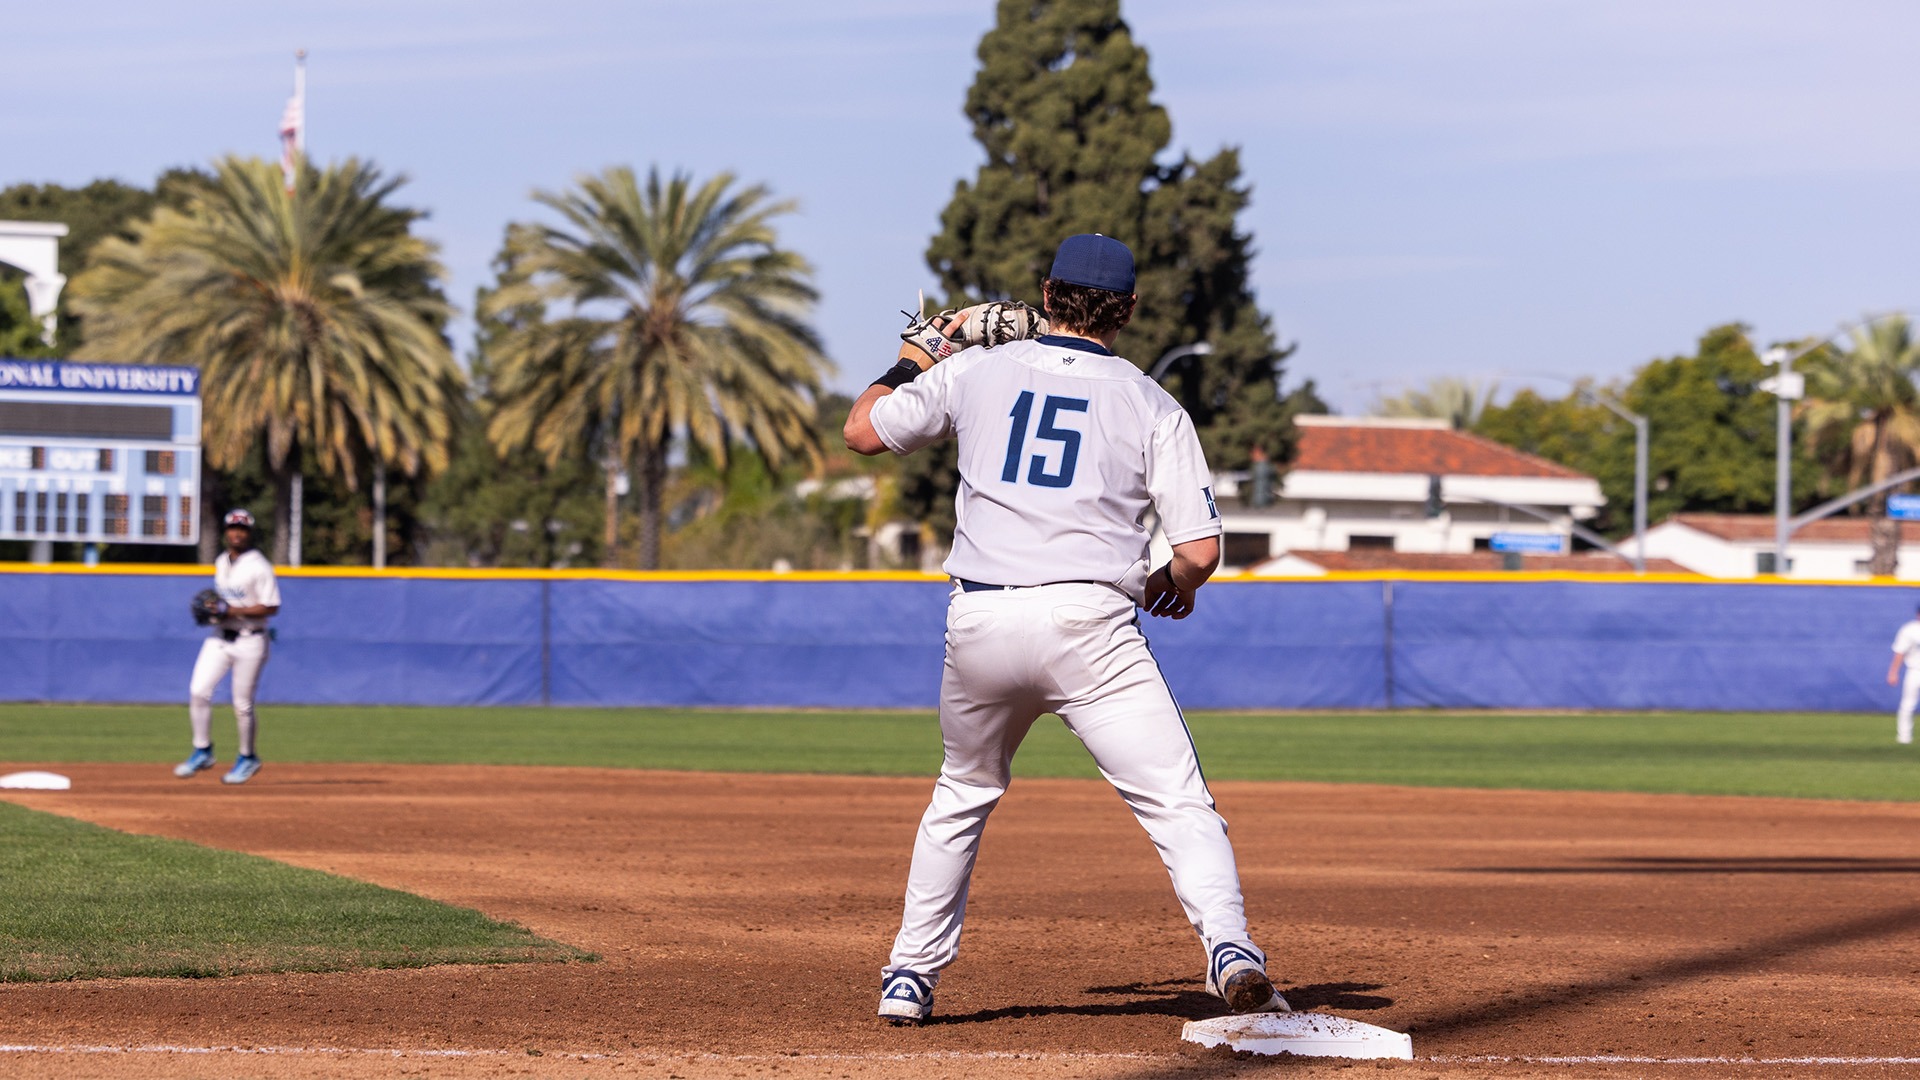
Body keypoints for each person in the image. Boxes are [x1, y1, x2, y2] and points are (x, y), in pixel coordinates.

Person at [843, 234, 1286, 1026]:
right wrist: (1169, 584)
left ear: (1047, 295)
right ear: (1130, 310)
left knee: (963, 793)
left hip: (982, 616)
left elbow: (862, 432)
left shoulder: (975, 370)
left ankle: (909, 978)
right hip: (1091, 624)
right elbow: (1200, 552)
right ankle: (1231, 950)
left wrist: (915, 354)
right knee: (1177, 802)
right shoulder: (1154, 401)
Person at [175, 509, 280, 784]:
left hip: (251, 639)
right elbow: (220, 604)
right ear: (225, 532)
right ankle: (203, 750)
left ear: (249, 534)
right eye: (233, 528)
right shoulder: (222, 561)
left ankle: (248, 757)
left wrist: (232, 610)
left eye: (242, 529)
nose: (237, 533)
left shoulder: (260, 566)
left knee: (242, 705)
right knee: (198, 690)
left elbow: (271, 606)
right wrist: (215, 609)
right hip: (220, 637)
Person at [1886, 603, 1920, 745]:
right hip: (1914, 670)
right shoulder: (1909, 630)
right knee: (1908, 704)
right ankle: (1904, 737)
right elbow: (1899, 652)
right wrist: (1893, 672)